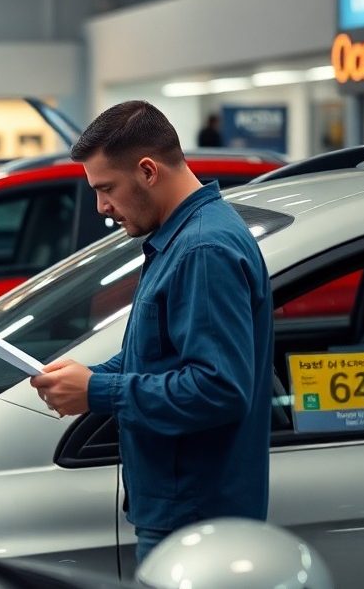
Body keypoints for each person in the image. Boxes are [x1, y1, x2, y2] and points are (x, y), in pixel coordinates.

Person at [31, 100, 273, 563]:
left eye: (106, 188)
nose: (102, 207)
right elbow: (160, 354)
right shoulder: (182, 238)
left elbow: (218, 389)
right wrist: (87, 377)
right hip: (182, 510)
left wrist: (98, 391)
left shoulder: (203, 248)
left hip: (197, 520)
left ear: (147, 170)